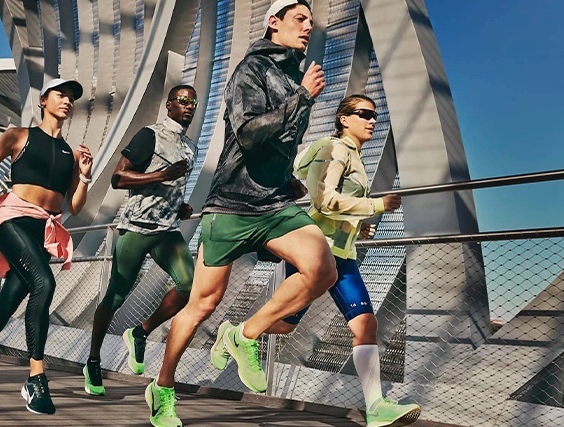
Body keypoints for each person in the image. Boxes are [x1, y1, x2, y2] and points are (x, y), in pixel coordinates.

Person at [146, 2, 337, 426]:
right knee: (202, 304)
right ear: (274, 22)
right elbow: (249, 133)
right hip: (231, 204)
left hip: (274, 204)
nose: (308, 27)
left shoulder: (291, 74)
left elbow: (280, 143)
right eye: (299, 19)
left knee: (322, 269)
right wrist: (303, 97)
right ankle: (162, 386)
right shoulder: (251, 69)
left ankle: (244, 334)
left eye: (311, 21)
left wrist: (287, 179)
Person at [264, 94, 421, 427]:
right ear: (343, 118)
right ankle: (237, 333)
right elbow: (323, 201)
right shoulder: (335, 149)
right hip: (316, 252)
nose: (372, 120)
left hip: (343, 256)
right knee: (283, 325)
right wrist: (376, 206)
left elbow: (338, 207)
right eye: (363, 113)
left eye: (375, 115)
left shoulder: (356, 157)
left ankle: (376, 407)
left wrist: (358, 229)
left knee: (366, 325)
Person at [0, 78, 93, 415]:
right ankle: (35, 377)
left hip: (41, 228)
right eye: (61, 95)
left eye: (72, 98)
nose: (68, 101)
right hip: (12, 219)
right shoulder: (19, 135)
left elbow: (74, 206)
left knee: (10, 301)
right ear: (44, 100)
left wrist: (85, 175)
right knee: (44, 283)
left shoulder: (72, 154)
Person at [82, 85, 199, 396]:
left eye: (194, 103)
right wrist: (162, 175)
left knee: (189, 288)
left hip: (167, 230)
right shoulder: (150, 135)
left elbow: (174, 187)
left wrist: (181, 205)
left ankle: (140, 332)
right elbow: (118, 178)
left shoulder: (191, 148)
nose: (189, 106)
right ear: (169, 104)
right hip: (136, 226)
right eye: (183, 101)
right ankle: (93, 360)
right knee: (116, 297)